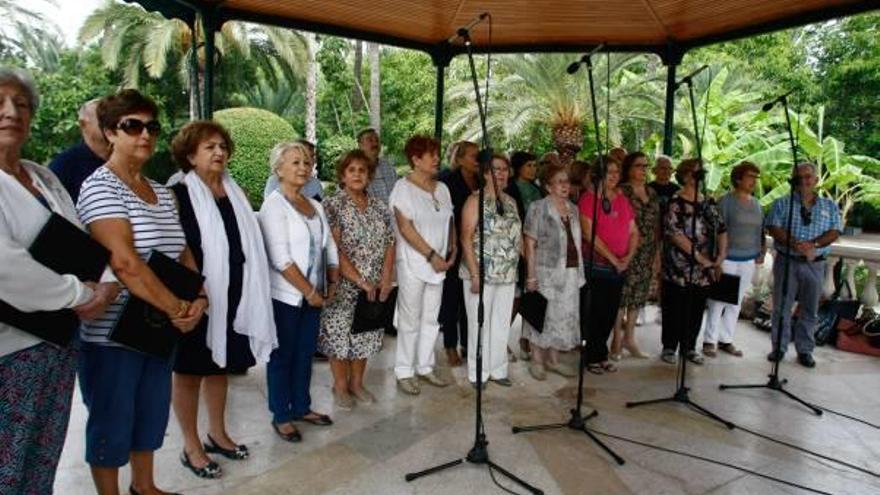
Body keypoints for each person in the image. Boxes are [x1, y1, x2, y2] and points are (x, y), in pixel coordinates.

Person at [76, 89, 207, 495]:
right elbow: (125, 262)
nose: (144, 134)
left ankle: (145, 486)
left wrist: (197, 299)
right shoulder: (100, 188)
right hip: (115, 332)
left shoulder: (162, 192)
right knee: (112, 419)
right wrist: (176, 307)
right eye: (132, 126)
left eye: (151, 126)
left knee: (149, 413)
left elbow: (183, 252)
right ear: (110, 132)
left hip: (157, 327)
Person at [0, 67, 117, 495]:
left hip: (59, 343)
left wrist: (104, 283)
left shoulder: (44, 177)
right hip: (10, 352)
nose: (12, 112)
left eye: (22, 104)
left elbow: (82, 242)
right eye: (0, 103)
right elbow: (6, 268)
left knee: (41, 460)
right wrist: (83, 294)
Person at [168, 121, 277, 478]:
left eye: (221, 146)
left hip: (235, 295)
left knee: (220, 366)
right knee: (188, 371)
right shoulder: (180, 194)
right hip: (196, 297)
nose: (218, 153)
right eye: (208, 147)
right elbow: (176, 250)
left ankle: (218, 432)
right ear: (190, 155)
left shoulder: (235, 193)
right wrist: (192, 294)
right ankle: (191, 444)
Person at [259, 141, 339, 442]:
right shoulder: (274, 205)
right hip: (287, 296)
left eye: (306, 162)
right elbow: (281, 259)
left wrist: (331, 281)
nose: (303, 167)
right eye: (295, 162)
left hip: (315, 294)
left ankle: (302, 406)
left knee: (305, 354)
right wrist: (309, 292)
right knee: (282, 355)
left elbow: (328, 245)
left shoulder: (315, 205)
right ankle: (281, 414)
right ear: (278, 168)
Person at [319, 150, 395, 409]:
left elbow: (389, 244)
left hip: (373, 285)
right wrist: (360, 280)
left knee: (365, 333)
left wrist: (386, 279)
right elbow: (333, 248)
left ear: (369, 175)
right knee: (339, 336)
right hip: (343, 284)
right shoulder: (332, 205)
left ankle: (357, 383)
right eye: (351, 170)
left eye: (362, 170)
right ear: (342, 175)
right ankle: (340, 386)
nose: (357, 175)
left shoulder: (379, 207)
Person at [389, 135, 455, 395]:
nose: (437, 159)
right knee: (410, 318)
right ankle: (404, 370)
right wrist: (431, 256)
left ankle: (425, 366)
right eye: (431, 155)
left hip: (439, 263)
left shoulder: (442, 189)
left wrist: (453, 247)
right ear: (415, 160)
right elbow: (406, 228)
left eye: (437, 154)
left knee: (431, 318)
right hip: (414, 262)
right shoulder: (402, 188)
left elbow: (448, 220)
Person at [766, 163, 841, 368]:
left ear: (816, 180)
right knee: (782, 308)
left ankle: (805, 350)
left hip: (815, 263)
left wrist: (813, 244)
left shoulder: (829, 206)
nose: (804, 181)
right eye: (799, 178)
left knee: (810, 309)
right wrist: (795, 244)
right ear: (793, 181)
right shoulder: (783, 203)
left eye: (808, 177)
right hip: (787, 261)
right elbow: (773, 227)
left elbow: (835, 231)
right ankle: (778, 348)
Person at [459, 154, 522, 387]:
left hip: (507, 273)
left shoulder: (511, 201)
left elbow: (517, 238)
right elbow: (465, 238)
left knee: (501, 323)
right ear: (485, 173)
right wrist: (475, 274)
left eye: (505, 169)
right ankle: (478, 372)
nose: (502, 173)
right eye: (496, 169)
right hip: (480, 273)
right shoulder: (474, 201)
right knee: (479, 323)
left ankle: (498, 369)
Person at [659, 159, 727, 366]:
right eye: (697, 174)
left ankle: (689, 346)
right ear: (686, 176)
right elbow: (675, 234)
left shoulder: (709, 203)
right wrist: (699, 258)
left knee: (696, 307)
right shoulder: (675, 202)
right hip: (679, 266)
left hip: (704, 269)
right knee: (675, 306)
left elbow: (722, 229)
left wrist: (720, 257)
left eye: (702, 174)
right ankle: (670, 346)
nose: (701, 178)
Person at [522, 162, 585, 380]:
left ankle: (554, 359)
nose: (564, 185)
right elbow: (529, 243)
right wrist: (530, 276)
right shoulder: (538, 207)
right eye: (559, 182)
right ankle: (537, 360)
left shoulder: (574, 209)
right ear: (548, 187)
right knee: (542, 315)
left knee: (561, 315)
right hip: (544, 271)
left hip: (570, 270)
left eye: (566, 181)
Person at [579, 156, 638, 374]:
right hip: (597, 267)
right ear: (599, 174)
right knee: (595, 312)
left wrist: (627, 258)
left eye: (617, 171)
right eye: (609, 172)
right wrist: (614, 259)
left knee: (610, 312)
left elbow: (634, 231)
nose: (614, 176)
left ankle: (601, 354)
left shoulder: (621, 199)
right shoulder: (588, 198)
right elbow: (588, 234)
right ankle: (592, 356)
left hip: (620, 267)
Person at [703, 162, 766, 358]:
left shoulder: (756, 204)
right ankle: (709, 340)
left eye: (756, 178)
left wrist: (761, 250)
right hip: (728, 257)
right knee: (719, 299)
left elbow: (760, 230)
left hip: (748, 258)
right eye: (750, 177)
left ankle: (726, 339)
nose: (753, 181)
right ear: (738, 178)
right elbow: (717, 230)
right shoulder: (726, 202)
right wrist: (718, 259)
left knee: (736, 301)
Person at [612, 152, 660, 360]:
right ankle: (615, 339)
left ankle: (629, 338)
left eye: (645, 166)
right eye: (639, 165)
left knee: (638, 296)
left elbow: (657, 224)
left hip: (647, 251)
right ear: (628, 168)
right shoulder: (620, 192)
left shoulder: (652, 192)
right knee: (622, 296)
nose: (643, 170)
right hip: (627, 250)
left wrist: (657, 253)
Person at [438, 141, 479, 366]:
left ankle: (469, 343)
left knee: (470, 299)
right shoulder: (447, 182)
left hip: (475, 248)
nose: (477, 160)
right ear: (460, 158)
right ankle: (450, 344)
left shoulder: (482, 181)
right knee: (452, 297)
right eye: (473, 156)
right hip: (454, 246)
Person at [504, 151, 542, 360]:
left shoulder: (538, 189)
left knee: (532, 297)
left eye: (535, 165)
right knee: (515, 298)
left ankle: (526, 339)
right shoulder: (510, 189)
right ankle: (501, 340)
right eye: (529, 165)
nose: (533, 169)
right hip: (518, 251)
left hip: (538, 249)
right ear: (518, 167)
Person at [48, 98, 111, 203]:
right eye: (103, 118)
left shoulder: (125, 162)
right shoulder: (65, 165)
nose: (111, 123)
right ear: (83, 124)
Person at [360, 127, 398, 204]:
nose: (375, 144)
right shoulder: (356, 170)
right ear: (360, 145)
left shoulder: (388, 166)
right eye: (370, 140)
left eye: (377, 140)